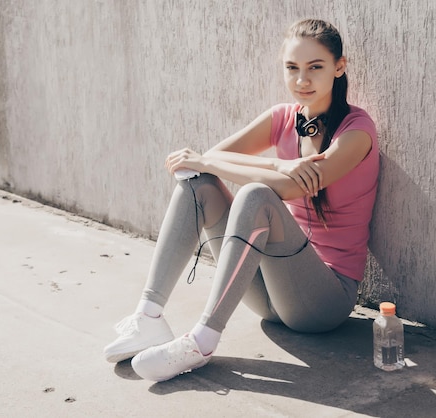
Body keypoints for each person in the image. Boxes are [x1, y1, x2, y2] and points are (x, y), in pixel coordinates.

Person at [104, 18, 379, 382]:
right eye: (292, 68)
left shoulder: (357, 132)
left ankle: (202, 340)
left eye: (316, 67)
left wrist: (228, 163)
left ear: (339, 67)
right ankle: (148, 316)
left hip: (322, 301)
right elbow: (212, 161)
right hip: (267, 294)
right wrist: (277, 163)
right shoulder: (282, 118)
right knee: (198, 182)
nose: (302, 80)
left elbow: (292, 188)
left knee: (255, 194)